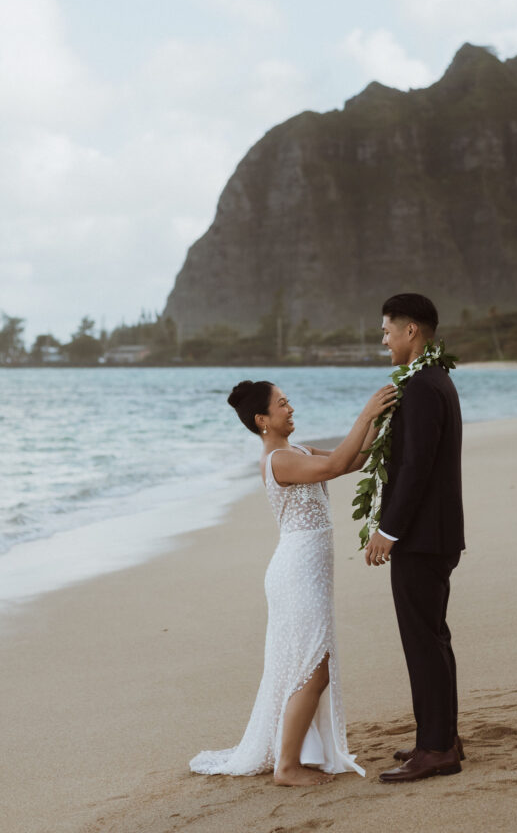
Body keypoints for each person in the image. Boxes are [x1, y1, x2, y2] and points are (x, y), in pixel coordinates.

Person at [189, 378, 396, 786]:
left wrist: (383, 416)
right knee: (313, 669)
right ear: (262, 420)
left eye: (288, 401)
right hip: (296, 572)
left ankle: (293, 756)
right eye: (282, 404)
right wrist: (366, 412)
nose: (291, 408)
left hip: (311, 572)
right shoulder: (277, 460)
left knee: (311, 666)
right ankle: (286, 766)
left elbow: (354, 460)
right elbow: (336, 465)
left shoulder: (296, 451)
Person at [364, 293, 466, 783]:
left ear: (411, 332)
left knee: (423, 642)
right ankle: (441, 738)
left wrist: (388, 530)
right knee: (433, 638)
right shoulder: (432, 379)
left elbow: (416, 466)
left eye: (386, 330)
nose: (382, 339)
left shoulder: (423, 386)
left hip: (422, 537)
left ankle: (437, 748)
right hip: (435, 534)